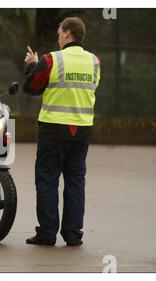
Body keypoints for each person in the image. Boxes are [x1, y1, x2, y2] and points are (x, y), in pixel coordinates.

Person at [23, 17, 101, 246]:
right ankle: (73, 235)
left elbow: (31, 87)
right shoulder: (95, 61)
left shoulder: (51, 59)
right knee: (76, 182)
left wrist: (33, 66)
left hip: (53, 130)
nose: (58, 37)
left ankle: (47, 234)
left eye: (60, 32)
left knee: (47, 181)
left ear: (67, 33)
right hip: (82, 130)